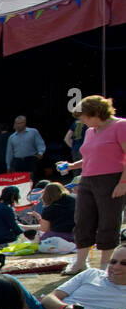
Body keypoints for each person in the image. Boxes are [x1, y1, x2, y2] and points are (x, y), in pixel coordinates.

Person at [62, 95, 126, 274]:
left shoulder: (120, 126)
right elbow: (90, 156)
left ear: (96, 113)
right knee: (82, 220)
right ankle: (80, 262)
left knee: (108, 220)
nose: (81, 121)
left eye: (83, 116)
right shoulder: (90, 131)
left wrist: (123, 182)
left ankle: (106, 264)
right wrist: (72, 166)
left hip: (111, 179)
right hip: (87, 179)